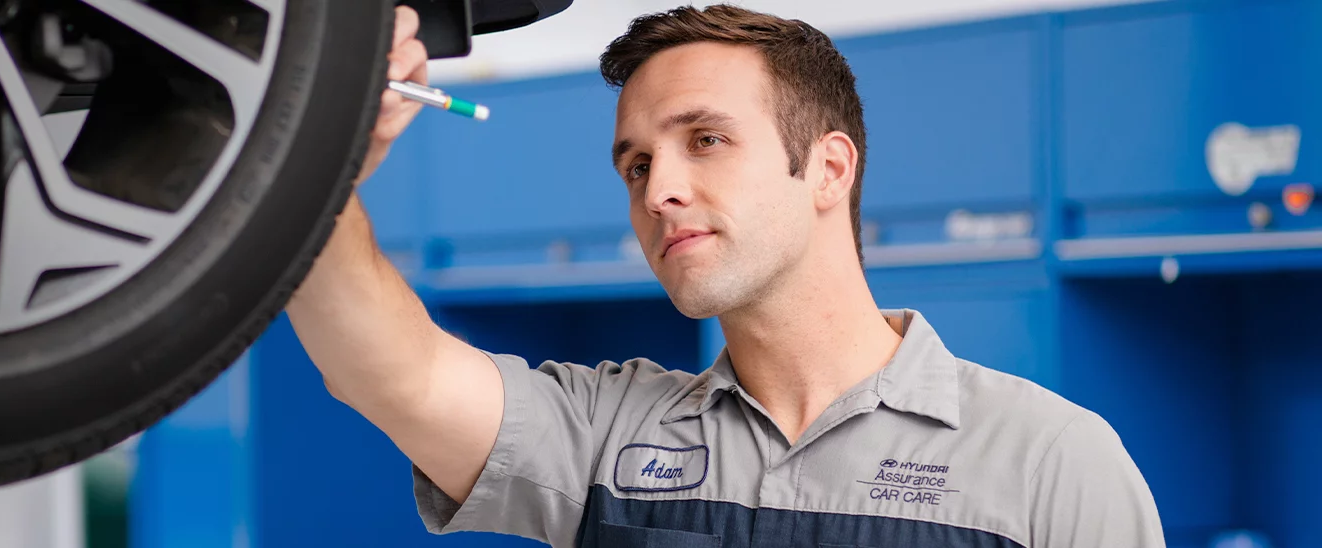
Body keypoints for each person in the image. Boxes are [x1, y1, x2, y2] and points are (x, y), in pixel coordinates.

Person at [286, 4, 1165, 547]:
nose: (659, 189)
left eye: (705, 139)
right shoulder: (605, 438)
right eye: (635, 164)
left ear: (828, 169)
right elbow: (383, 370)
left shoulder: (1051, 464)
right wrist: (317, 145)